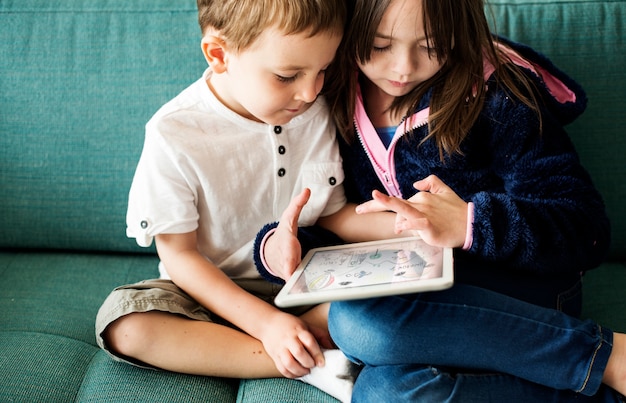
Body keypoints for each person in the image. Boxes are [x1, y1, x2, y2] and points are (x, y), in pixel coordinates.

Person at [258, 0, 626, 401]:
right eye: (380, 46)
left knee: (358, 322)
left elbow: (587, 231)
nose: (403, 67)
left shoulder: (498, 95)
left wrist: (470, 224)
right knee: (383, 393)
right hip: (419, 306)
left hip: (526, 296)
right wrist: (283, 247)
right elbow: (339, 218)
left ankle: (603, 357)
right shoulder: (327, 91)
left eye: (431, 46)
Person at [93, 1, 394, 401]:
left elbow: (335, 213)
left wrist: (405, 227)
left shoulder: (313, 108)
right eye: (287, 76)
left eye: (322, 70)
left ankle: (301, 341)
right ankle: (308, 361)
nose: (310, 91)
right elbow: (181, 257)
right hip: (209, 295)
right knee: (125, 325)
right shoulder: (175, 133)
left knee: (392, 290)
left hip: (305, 286)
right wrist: (268, 325)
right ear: (219, 55)